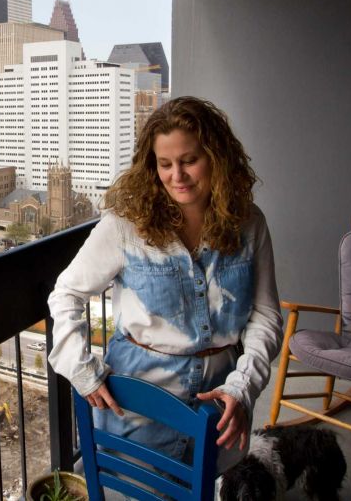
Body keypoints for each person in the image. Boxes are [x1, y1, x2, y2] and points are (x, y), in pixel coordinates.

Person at [47, 97, 283, 471]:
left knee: (209, 485)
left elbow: (266, 314)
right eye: (165, 164)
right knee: (144, 489)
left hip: (221, 402)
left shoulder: (249, 223)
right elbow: (67, 293)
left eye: (189, 160)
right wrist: (81, 370)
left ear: (217, 158)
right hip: (139, 401)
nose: (178, 175)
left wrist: (244, 385)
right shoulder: (125, 226)